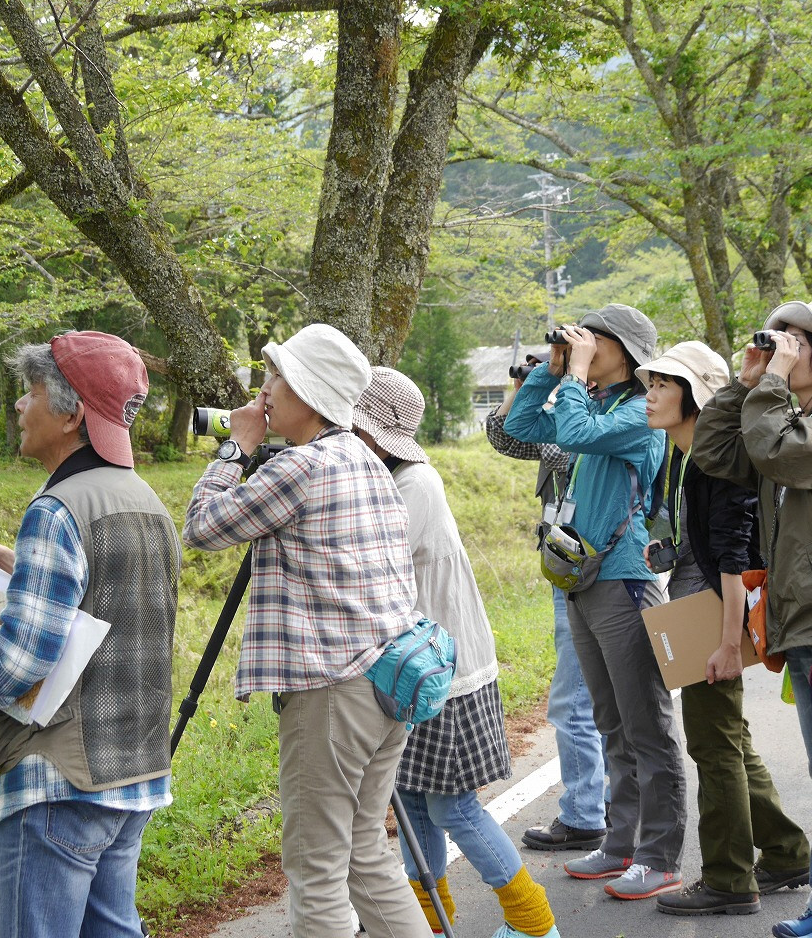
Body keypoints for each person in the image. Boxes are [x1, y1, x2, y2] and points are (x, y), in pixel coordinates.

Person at [0, 332, 180, 938]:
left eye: (32, 391)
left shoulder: (58, 509)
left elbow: (20, 661)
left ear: (71, 415)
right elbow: (102, 602)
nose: (20, 406)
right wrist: (6, 558)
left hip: (61, 781)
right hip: (134, 771)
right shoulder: (145, 500)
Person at [182, 324, 432, 938]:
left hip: (331, 692)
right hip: (388, 678)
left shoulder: (302, 467)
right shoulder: (365, 461)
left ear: (307, 393)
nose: (263, 390)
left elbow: (203, 527)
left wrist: (235, 450)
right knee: (366, 853)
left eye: (274, 377)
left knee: (316, 868)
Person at [694, 299, 812, 938]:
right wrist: (744, 383)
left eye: (798, 341)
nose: (782, 347)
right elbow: (717, 452)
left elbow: (778, 453)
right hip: (802, 626)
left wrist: (770, 388)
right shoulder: (786, 415)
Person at [355, 367, 559, 938]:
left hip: (446, 672)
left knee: (454, 808)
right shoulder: (392, 476)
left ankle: (533, 922)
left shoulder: (412, 483)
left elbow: (369, 563)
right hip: (412, 671)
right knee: (415, 805)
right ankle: (429, 920)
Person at [503, 303, 687, 901]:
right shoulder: (600, 403)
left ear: (626, 352)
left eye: (592, 339)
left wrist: (576, 375)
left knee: (646, 725)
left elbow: (576, 433)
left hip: (625, 578)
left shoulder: (639, 412)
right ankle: (621, 843)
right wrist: (553, 370)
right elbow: (523, 427)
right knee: (610, 720)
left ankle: (660, 856)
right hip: (584, 578)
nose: (581, 343)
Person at [634, 341, 811, 917]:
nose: (650, 393)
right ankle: (785, 852)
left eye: (664, 383)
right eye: (651, 381)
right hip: (702, 607)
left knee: (713, 747)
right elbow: (709, 543)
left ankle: (729, 880)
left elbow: (737, 553)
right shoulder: (685, 457)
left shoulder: (718, 459)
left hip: (715, 617)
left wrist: (727, 643)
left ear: (694, 397)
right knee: (729, 740)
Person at [486, 367, 609, 853]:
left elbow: (564, 445)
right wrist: (527, 384)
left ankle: (585, 814)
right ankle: (604, 809)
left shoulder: (609, 413)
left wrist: (565, 386)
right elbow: (504, 435)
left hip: (599, 570)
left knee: (578, 698)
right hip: (572, 569)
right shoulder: (576, 409)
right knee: (591, 696)